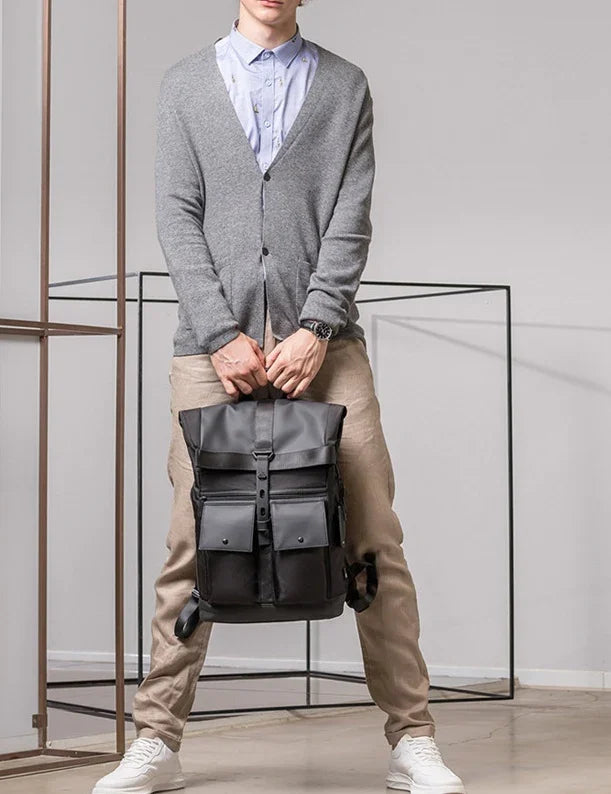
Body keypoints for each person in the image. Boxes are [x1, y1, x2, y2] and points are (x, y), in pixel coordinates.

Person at [92, 2, 466, 792]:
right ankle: (155, 738)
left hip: (325, 351)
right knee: (192, 542)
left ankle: (412, 738)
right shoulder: (185, 85)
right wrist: (219, 332)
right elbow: (175, 214)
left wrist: (317, 325)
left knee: (372, 538)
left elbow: (349, 215)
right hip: (209, 351)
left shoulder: (342, 85)